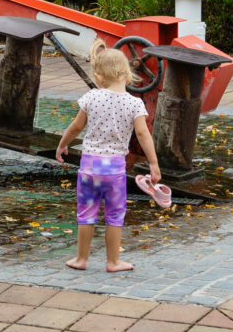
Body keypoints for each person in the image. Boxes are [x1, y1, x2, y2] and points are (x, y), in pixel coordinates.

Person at [55, 39, 162, 272]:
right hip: (114, 170)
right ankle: (113, 262)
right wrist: (153, 163)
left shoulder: (91, 97)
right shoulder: (134, 104)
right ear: (127, 75)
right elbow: (143, 134)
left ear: (100, 76)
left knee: (86, 213)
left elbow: (75, 127)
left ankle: (81, 259)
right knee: (115, 215)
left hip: (89, 167)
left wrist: (63, 144)